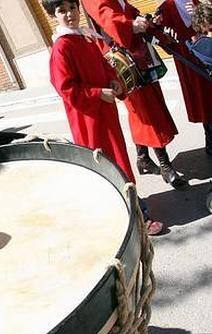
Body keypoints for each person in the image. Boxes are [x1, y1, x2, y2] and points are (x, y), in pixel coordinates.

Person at [45, 0, 164, 236]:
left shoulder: (85, 37)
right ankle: (136, 215)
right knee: (107, 164)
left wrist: (113, 81)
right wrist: (98, 93)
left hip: (105, 112)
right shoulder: (62, 47)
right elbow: (66, 89)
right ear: (53, 15)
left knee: (117, 160)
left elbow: (104, 65)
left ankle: (127, 207)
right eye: (61, 11)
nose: (69, 14)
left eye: (71, 8)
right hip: (89, 119)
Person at [82, 0, 186, 189]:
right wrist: (130, 24)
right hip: (123, 57)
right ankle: (165, 165)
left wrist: (142, 18)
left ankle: (143, 158)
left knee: (142, 110)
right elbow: (107, 17)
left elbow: (124, 10)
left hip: (136, 53)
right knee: (146, 111)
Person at [156, 0, 212, 154]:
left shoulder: (196, 1)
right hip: (188, 58)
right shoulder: (166, 8)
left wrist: (199, 13)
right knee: (203, 100)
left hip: (206, 52)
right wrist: (161, 31)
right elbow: (163, 37)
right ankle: (210, 139)